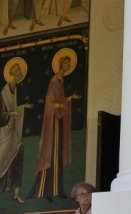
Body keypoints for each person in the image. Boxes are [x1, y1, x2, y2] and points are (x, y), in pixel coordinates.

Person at [30, 52, 81, 200]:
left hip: (58, 120)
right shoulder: (54, 81)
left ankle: (57, 189)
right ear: (60, 64)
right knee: (50, 154)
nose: (67, 66)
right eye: (65, 63)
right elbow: (49, 102)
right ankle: (44, 190)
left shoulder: (61, 81)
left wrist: (69, 99)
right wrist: (61, 103)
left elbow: (60, 100)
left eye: (69, 65)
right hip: (53, 122)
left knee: (57, 154)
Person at [0, 58, 31, 208]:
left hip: (13, 131)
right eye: (15, 71)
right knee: (0, 160)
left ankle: (15, 191)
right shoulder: (6, 90)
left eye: (19, 71)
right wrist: (15, 113)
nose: (18, 73)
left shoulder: (15, 89)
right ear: (11, 74)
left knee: (18, 153)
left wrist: (22, 108)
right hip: (5, 131)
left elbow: (13, 109)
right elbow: (2, 113)